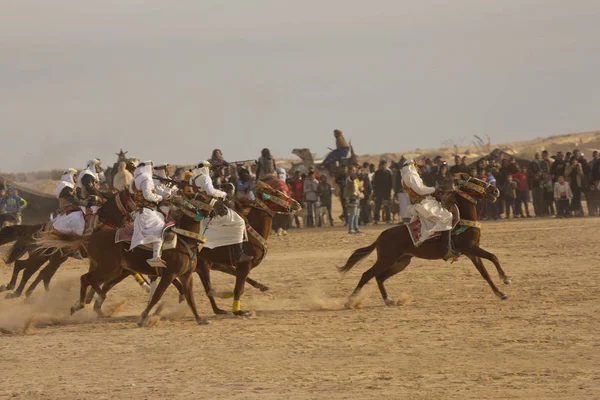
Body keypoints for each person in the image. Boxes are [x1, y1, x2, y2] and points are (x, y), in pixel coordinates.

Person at [190, 160, 251, 263]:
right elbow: (210, 191)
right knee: (240, 222)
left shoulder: (193, 179)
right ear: (205, 168)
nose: (209, 170)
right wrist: (224, 194)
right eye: (208, 168)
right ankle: (238, 253)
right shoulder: (205, 177)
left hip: (200, 207)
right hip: (210, 206)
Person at [401, 159, 457, 261]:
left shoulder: (406, 176)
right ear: (411, 166)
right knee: (447, 216)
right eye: (416, 165)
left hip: (421, 203)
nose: (417, 167)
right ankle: (446, 250)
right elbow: (420, 190)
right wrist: (434, 189)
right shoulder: (411, 175)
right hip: (424, 203)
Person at [129, 161, 169, 267]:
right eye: (151, 168)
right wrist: (161, 197)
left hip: (141, 211)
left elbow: (134, 193)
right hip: (147, 211)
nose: (152, 171)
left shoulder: (135, 179)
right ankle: (156, 257)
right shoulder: (146, 178)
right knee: (161, 229)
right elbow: (147, 196)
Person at [52, 169, 93, 235]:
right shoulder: (64, 186)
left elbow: (80, 198)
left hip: (75, 212)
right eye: (74, 175)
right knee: (78, 220)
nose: (76, 177)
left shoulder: (72, 187)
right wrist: (87, 203)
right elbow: (73, 199)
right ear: (69, 176)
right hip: (70, 214)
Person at [343, 166, 363, 234]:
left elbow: (361, 187)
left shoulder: (356, 179)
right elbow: (350, 180)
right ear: (350, 171)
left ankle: (356, 228)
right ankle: (351, 228)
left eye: (355, 170)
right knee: (352, 214)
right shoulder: (348, 178)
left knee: (357, 214)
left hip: (358, 197)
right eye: (353, 170)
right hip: (352, 197)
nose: (354, 171)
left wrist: (361, 191)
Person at [373, 160, 393, 224]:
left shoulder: (388, 173)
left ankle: (388, 219)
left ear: (386, 165)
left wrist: (390, 192)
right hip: (378, 193)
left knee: (386, 206)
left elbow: (391, 184)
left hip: (386, 193)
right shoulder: (377, 173)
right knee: (377, 206)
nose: (383, 166)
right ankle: (376, 219)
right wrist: (375, 192)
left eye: (384, 165)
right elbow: (375, 183)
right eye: (382, 165)